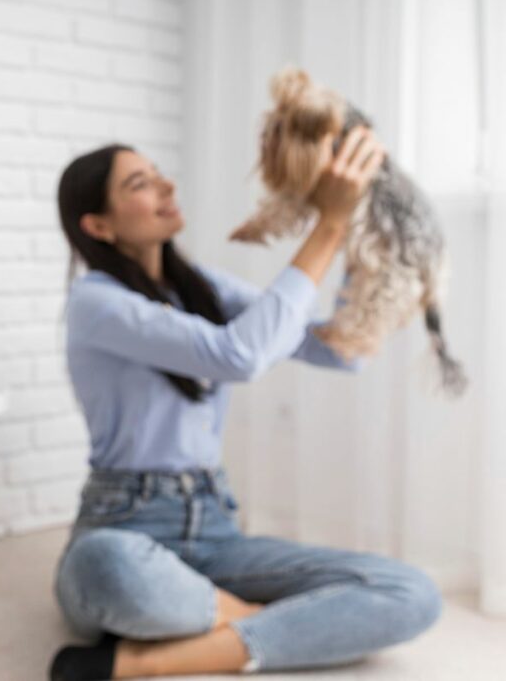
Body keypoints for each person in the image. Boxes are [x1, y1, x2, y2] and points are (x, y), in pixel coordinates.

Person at [49, 132, 441, 680]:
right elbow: (239, 356)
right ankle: (261, 625)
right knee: (104, 567)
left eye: (159, 171)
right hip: (126, 521)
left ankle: (152, 660)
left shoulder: (201, 287)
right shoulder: (96, 303)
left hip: (215, 530)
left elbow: (339, 350)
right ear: (98, 226)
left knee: (412, 592)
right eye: (140, 183)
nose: (166, 185)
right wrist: (324, 225)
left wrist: (354, 237)